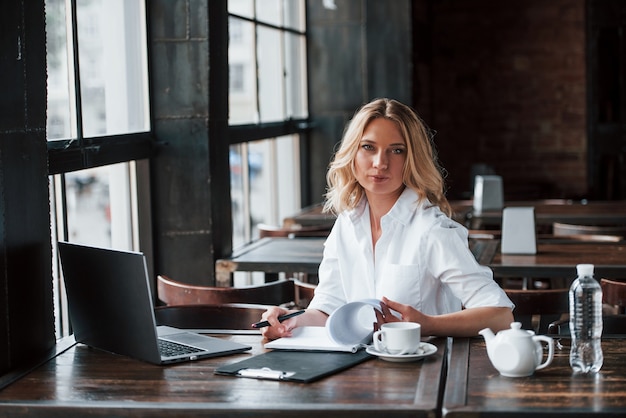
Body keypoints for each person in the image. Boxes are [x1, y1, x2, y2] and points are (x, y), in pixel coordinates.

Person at [260, 98, 514, 341]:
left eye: (397, 150)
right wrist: (289, 321)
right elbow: (328, 309)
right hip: (362, 370)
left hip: (427, 373)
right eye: (368, 147)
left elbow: (501, 315)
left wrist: (427, 324)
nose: (380, 163)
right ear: (353, 154)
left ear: (411, 160)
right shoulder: (347, 224)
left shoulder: (431, 230)